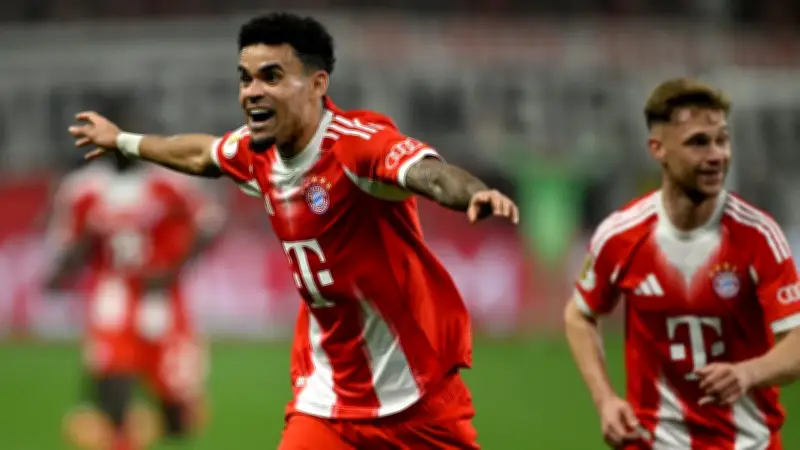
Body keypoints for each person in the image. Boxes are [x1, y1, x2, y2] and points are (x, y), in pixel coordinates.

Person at [67, 12, 518, 450]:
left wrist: (473, 193)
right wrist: (122, 140)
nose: (253, 92)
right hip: (327, 401)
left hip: (416, 393)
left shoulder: (357, 146)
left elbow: (429, 174)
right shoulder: (257, 152)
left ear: (318, 84)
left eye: (271, 77)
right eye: (245, 79)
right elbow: (202, 154)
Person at [564, 78, 800, 449]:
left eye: (722, 140)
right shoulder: (621, 236)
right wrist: (605, 400)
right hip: (652, 441)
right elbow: (579, 316)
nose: (717, 155)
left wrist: (747, 373)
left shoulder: (758, 236)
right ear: (658, 149)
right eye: (698, 142)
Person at [45, 154, 224, 450]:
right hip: (112, 300)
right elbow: (70, 244)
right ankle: (118, 431)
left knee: (179, 421)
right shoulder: (82, 189)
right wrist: (64, 270)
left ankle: (153, 419)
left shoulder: (170, 183)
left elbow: (210, 223)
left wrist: (174, 269)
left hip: (162, 302)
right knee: (114, 394)